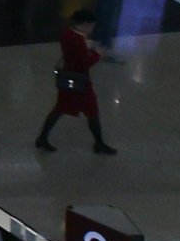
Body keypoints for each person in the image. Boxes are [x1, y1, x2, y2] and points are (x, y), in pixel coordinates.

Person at [38, 10, 119, 152]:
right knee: (92, 111)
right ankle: (99, 143)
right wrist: (97, 54)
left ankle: (42, 138)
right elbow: (84, 63)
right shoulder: (78, 40)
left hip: (68, 80)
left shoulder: (67, 34)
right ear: (85, 24)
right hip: (80, 82)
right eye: (91, 26)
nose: (92, 29)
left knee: (60, 109)